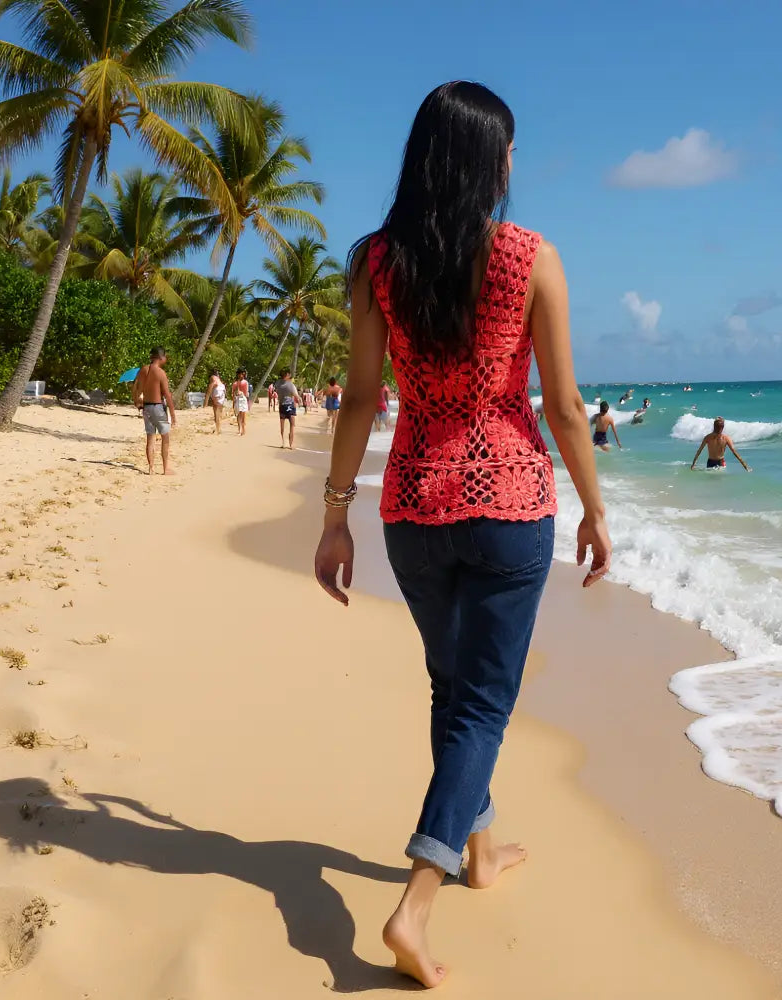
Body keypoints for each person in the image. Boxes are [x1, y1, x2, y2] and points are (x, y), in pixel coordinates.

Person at [313, 81, 612, 989]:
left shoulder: (375, 262)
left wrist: (335, 517)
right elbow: (562, 407)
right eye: (510, 150)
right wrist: (597, 509)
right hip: (511, 505)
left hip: (412, 505)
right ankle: (416, 902)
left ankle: (479, 854)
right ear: (493, 161)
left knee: (456, 691)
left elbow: (362, 397)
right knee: (479, 703)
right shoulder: (531, 257)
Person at [131, 347, 176, 475]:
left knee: (150, 438)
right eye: (165, 356)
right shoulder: (161, 373)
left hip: (146, 407)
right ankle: (165, 468)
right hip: (157, 407)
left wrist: (136, 401)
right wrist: (173, 415)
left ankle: (151, 468)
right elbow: (167, 395)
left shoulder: (142, 370)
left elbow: (136, 388)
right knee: (165, 437)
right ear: (161, 357)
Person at [274, 368, 302, 449]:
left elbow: (277, 391)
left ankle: (283, 443)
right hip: (290, 405)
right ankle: (291, 444)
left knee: (282, 425)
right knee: (292, 425)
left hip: (281, 405)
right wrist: (300, 401)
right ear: (287, 375)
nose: (290, 375)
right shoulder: (290, 385)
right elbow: (296, 396)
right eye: (289, 374)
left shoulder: (278, 383)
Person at [204, 368, 226, 434]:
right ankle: (218, 428)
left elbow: (212, 385)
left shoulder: (212, 377)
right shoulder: (218, 378)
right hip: (222, 389)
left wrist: (206, 400)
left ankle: (217, 429)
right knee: (219, 410)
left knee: (216, 411)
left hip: (218, 390)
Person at [232, 369, 250, 436]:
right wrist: (233, 402)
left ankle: (243, 429)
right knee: (238, 415)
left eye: (242, 374)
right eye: (239, 374)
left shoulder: (245, 382)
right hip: (237, 399)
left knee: (243, 414)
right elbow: (233, 393)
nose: (241, 375)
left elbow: (246, 393)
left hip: (243, 399)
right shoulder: (235, 383)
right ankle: (239, 430)